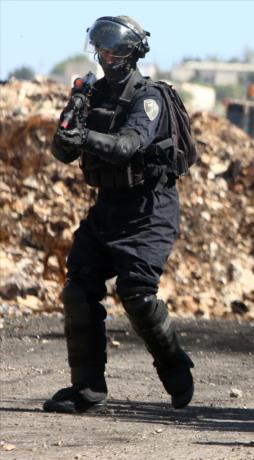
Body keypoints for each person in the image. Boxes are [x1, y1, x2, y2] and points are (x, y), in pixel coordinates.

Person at [44, 15, 194, 413]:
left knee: (138, 296)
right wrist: (68, 129)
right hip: (108, 205)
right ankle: (87, 389)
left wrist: (84, 136)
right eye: (102, 47)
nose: (107, 55)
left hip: (148, 208)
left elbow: (128, 145)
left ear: (133, 52)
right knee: (79, 288)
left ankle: (176, 367)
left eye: (116, 48)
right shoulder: (91, 95)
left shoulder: (150, 97)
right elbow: (63, 152)